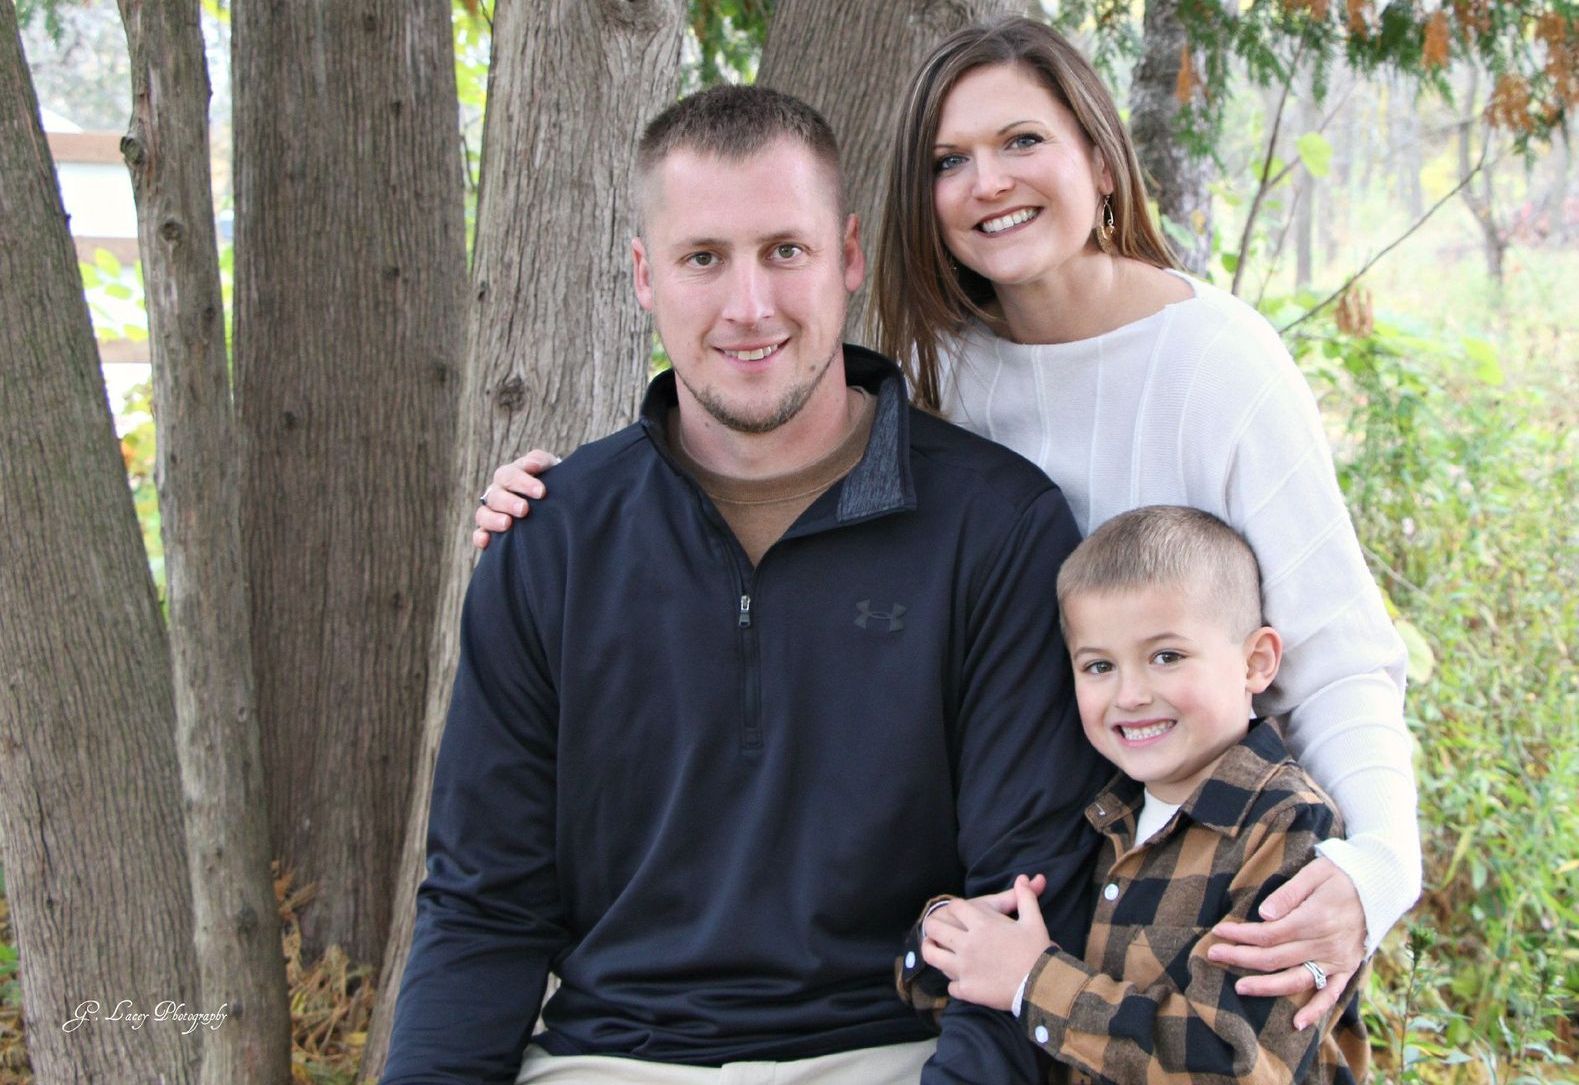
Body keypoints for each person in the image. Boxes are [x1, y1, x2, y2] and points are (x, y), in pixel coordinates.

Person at [475, 16, 1420, 1023]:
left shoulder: (1218, 362)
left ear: (1099, 160)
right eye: (948, 159)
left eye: (1022, 141)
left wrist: (1374, 872)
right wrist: (557, 507)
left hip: (1199, 863)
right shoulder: (937, 375)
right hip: (1033, 875)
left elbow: (1335, 655)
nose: (988, 181)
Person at [384, 84, 1109, 1085]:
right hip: (611, 1059)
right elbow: (482, 902)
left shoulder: (994, 526)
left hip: (894, 1052)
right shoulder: (551, 540)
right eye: (702, 259)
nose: (749, 306)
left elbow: (1028, 890)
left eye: (785, 251)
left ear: (847, 256)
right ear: (645, 275)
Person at [902, 505, 1370, 1083]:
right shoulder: (1099, 813)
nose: (1130, 695)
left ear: (1256, 661)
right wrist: (945, 940)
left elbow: (1234, 1064)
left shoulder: (1287, 827)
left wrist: (1032, 980)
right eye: (1098, 666)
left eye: (1166, 657)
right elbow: (981, 1005)